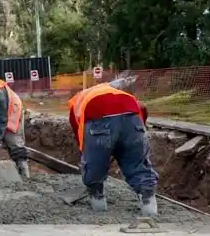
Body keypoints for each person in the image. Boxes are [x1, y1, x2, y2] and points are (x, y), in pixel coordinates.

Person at [67, 76, 159, 216]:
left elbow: (78, 132)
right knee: (138, 164)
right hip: (133, 122)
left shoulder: (76, 103)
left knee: (94, 166)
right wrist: (135, 136)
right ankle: (150, 208)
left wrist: (86, 153)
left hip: (98, 123)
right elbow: (142, 109)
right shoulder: (121, 95)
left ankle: (98, 203)